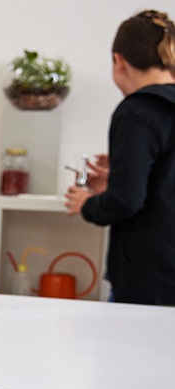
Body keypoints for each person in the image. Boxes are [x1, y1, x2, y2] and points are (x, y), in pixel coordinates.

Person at [65, 10, 175, 306]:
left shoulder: (136, 112)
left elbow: (126, 200)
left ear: (118, 61)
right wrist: (122, 175)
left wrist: (87, 204)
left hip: (148, 281)